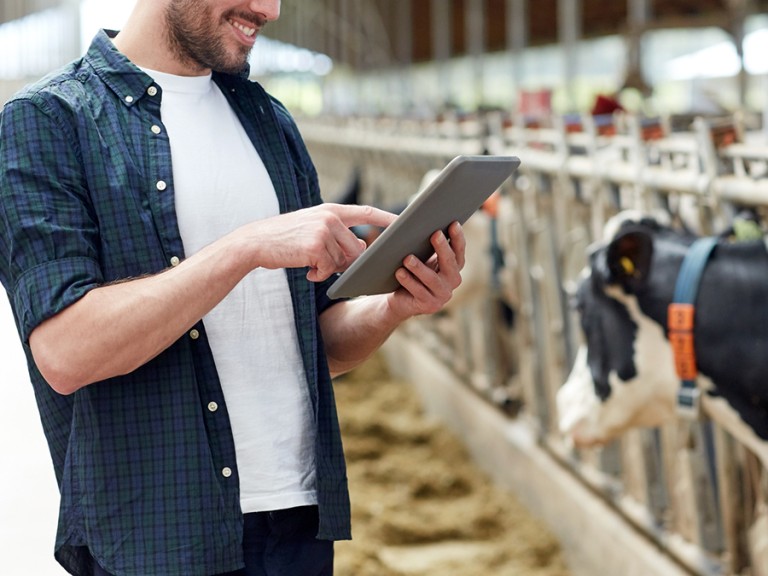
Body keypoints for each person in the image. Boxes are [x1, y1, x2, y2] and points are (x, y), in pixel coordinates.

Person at [0, 1, 466, 575]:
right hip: (158, 535)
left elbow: (317, 345)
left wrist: (393, 307)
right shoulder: (48, 121)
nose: (269, 9)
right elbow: (67, 353)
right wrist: (246, 247)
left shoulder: (267, 121)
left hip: (295, 522)